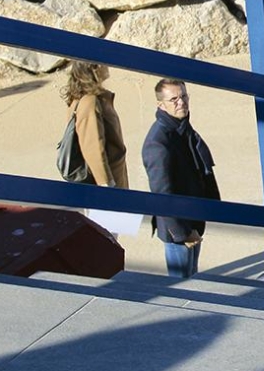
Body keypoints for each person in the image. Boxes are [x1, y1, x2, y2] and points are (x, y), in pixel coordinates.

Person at [143, 79, 220, 278]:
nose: (181, 103)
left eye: (184, 96)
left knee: (192, 278)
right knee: (181, 285)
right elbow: (162, 194)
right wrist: (183, 233)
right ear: (161, 104)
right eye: (174, 99)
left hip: (192, 220)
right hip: (177, 230)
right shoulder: (158, 142)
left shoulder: (182, 128)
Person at [61, 61, 128, 189]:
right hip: (108, 180)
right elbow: (93, 148)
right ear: (94, 69)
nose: (107, 65)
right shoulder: (89, 103)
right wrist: (106, 184)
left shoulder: (88, 98)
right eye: (103, 62)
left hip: (114, 172)